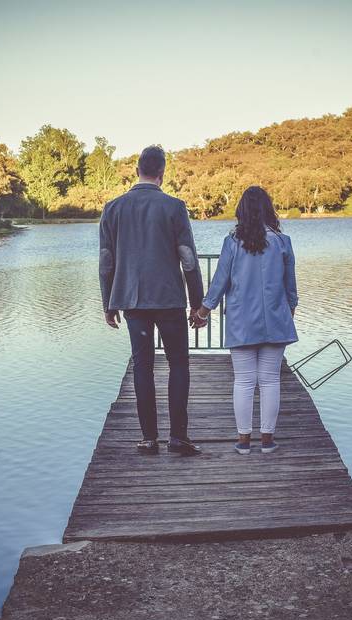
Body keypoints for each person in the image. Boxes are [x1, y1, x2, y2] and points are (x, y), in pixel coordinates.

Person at [99, 145, 205, 455]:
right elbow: (188, 258)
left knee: (142, 367)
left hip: (132, 300)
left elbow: (106, 260)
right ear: (162, 172)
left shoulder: (113, 208)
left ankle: (148, 439)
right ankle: (178, 437)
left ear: (137, 170)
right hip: (169, 298)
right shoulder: (174, 207)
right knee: (178, 365)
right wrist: (196, 303)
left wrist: (109, 303)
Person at [195, 186, 298, 454]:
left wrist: (203, 311)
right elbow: (291, 288)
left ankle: (243, 441)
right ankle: (267, 440)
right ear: (268, 209)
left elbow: (220, 282)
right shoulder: (282, 242)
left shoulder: (232, 242)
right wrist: (289, 313)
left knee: (243, 381)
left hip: (241, 322)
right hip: (276, 320)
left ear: (241, 210)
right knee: (270, 380)